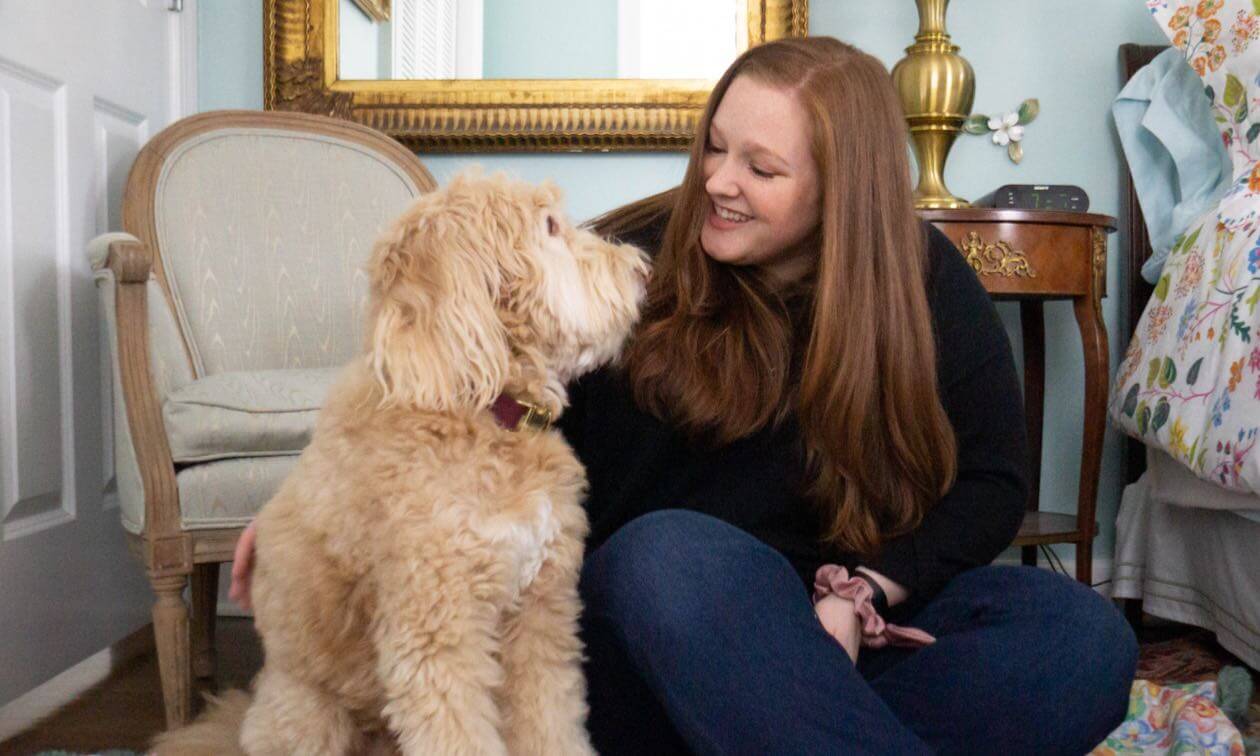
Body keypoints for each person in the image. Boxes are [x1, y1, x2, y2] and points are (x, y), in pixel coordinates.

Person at [231, 36, 1137, 755]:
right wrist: (316, 505)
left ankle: (795, 732)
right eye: (714, 147)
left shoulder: (922, 280)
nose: (718, 182)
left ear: (842, 191)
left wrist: (862, 596)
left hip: (835, 642)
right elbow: (459, 375)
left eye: (761, 169)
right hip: (655, 643)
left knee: (1079, 638)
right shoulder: (626, 263)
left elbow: (991, 483)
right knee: (667, 557)